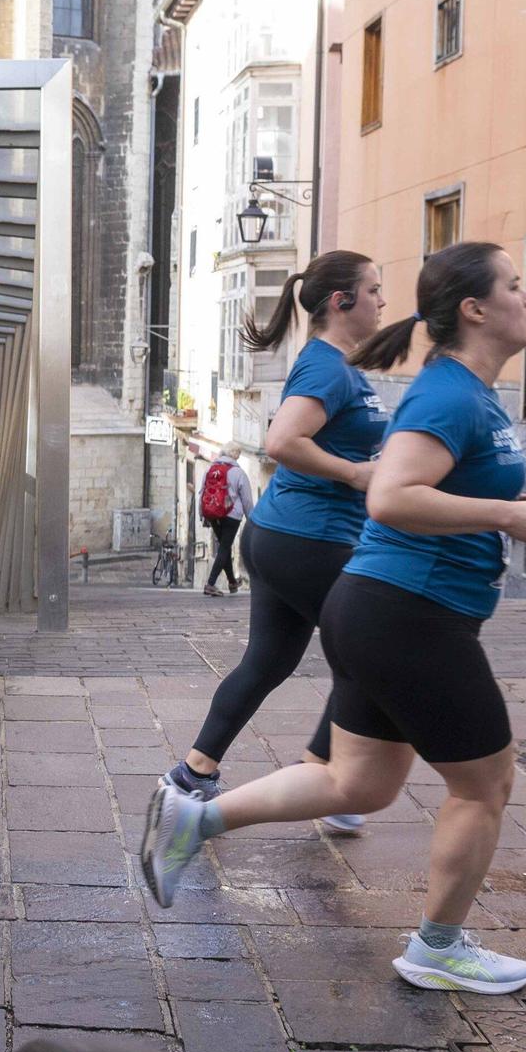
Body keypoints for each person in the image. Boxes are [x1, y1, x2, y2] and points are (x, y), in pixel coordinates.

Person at [143, 242, 526, 995]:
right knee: (485, 784)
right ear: (475, 309)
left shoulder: (466, 392)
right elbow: (391, 496)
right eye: (514, 285)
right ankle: (438, 947)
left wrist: (501, 506)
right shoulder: (448, 394)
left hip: (385, 610)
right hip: (410, 614)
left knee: (359, 784)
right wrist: (506, 514)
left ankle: (194, 818)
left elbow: (430, 485)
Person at [163, 251, 388, 836]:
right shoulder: (327, 367)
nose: (383, 301)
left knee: (268, 661)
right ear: (341, 301)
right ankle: (327, 781)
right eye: (374, 290)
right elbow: (284, 441)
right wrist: (356, 474)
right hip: (309, 539)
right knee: (371, 652)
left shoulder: (338, 366)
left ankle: (190, 778)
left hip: (284, 536)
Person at [200, 442, 254, 597]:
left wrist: (203, 514)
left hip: (213, 514)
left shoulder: (210, 469)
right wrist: (251, 520)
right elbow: (247, 500)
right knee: (224, 547)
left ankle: (232, 582)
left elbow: (202, 492)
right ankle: (210, 584)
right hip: (232, 515)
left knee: (225, 547)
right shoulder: (239, 473)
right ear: (235, 454)